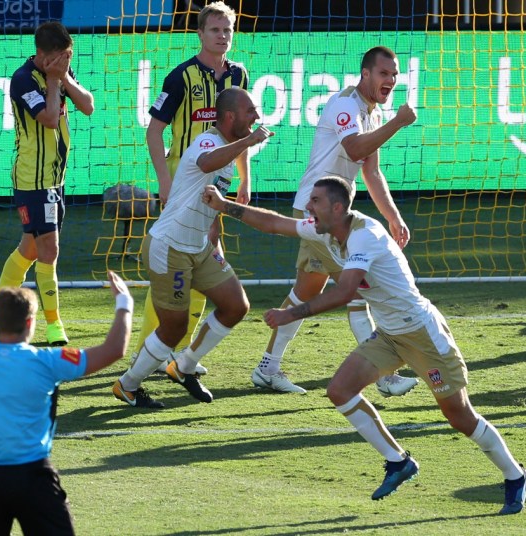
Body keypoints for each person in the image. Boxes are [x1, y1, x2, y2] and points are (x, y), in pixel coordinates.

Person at [201, 177, 526, 514]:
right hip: (389, 335)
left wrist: (291, 313)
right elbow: (275, 224)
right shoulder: (325, 229)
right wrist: (225, 207)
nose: (308, 207)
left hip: (422, 334)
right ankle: (398, 461)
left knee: (459, 416)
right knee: (339, 390)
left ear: (337, 207)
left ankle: (515, 475)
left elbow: (346, 291)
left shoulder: (365, 236)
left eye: (315, 201)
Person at [249, 46, 419, 397]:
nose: (391, 80)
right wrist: (399, 122)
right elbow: (355, 149)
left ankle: (267, 368)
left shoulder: (371, 112)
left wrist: (393, 216)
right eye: (384, 73)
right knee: (358, 288)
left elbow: (371, 172)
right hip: (317, 212)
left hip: (332, 215)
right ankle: (384, 377)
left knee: (306, 292)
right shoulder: (345, 106)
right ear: (365, 74)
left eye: (394, 75)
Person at [113, 87, 268, 408]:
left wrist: (215, 237)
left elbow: (210, 198)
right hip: (169, 247)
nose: (256, 116)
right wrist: (249, 142)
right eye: (251, 111)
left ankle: (183, 366)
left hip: (198, 247)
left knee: (236, 306)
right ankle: (127, 386)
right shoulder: (207, 141)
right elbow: (208, 163)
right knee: (174, 328)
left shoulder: (229, 149)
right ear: (230, 116)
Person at [0, 271, 133, 535]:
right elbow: (113, 350)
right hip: (35, 479)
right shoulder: (48, 361)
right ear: (30, 323)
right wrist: (124, 303)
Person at [132, 0, 251, 374]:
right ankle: (150, 350)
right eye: (215, 30)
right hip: (183, 184)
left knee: (202, 259)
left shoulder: (239, 75)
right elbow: (154, 131)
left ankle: (175, 351)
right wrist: (164, 181)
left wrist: (245, 178)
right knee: (175, 261)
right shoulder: (180, 76)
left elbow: (241, 133)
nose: (222, 36)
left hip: (217, 183)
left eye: (227, 30)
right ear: (200, 34)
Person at [0, 21, 94, 346]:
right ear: (42, 55)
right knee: (48, 250)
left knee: (29, 248)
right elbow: (50, 119)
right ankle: (54, 325)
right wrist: (55, 81)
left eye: (68, 56)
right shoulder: (23, 79)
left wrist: (64, 77)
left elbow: (88, 106)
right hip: (33, 179)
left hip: (56, 178)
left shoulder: (61, 72)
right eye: (59, 57)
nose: (65, 61)